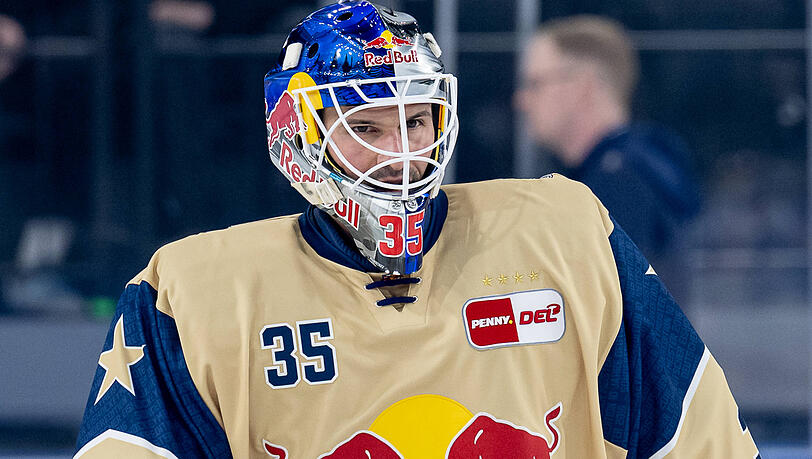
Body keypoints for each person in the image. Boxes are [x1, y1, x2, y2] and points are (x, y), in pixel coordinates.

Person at [75, 2, 759, 457]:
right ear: (297, 137)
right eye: (366, 128)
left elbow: (698, 436)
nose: (401, 152)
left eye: (415, 121)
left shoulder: (568, 233)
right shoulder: (191, 298)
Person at [514, 16, 701, 267]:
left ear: (584, 87)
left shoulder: (617, 186)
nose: (521, 101)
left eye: (535, 84)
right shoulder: (641, 168)